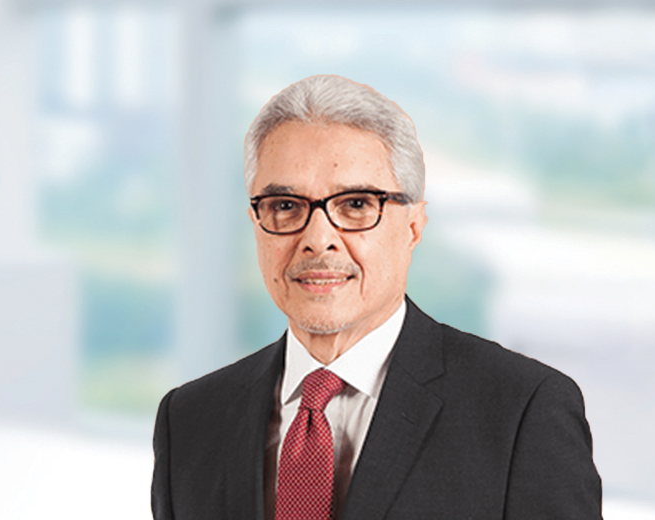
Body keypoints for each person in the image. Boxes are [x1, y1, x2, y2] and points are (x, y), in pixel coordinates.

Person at [151, 75, 602, 520]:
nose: (318, 240)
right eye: (285, 206)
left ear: (414, 226)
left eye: (356, 205)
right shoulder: (189, 420)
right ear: (256, 224)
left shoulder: (522, 412)